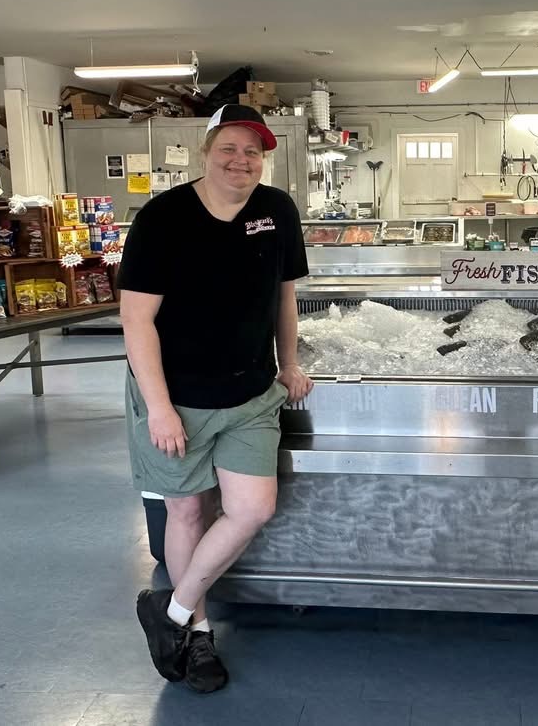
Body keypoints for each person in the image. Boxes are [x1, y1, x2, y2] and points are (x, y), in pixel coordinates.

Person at [118, 103, 314, 693]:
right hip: (177, 396)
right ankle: (198, 635)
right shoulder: (163, 217)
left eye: (253, 151)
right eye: (229, 148)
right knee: (186, 511)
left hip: (251, 393)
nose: (241, 160)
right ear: (206, 151)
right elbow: (136, 320)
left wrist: (289, 362)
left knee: (252, 509)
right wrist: (159, 408)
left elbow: (284, 296)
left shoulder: (277, 210)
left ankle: (172, 611)